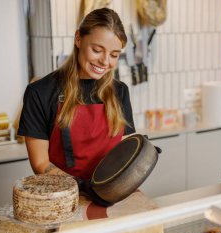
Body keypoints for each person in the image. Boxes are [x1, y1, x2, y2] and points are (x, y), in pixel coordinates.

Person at [18, 8, 135, 182]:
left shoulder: (120, 92)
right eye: (97, 50)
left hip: (115, 191)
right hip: (64, 198)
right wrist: (80, 187)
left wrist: (143, 156)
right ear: (78, 39)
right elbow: (40, 163)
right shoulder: (40, 93)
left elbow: (126, 153)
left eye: (114, 55)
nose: (105, 61)